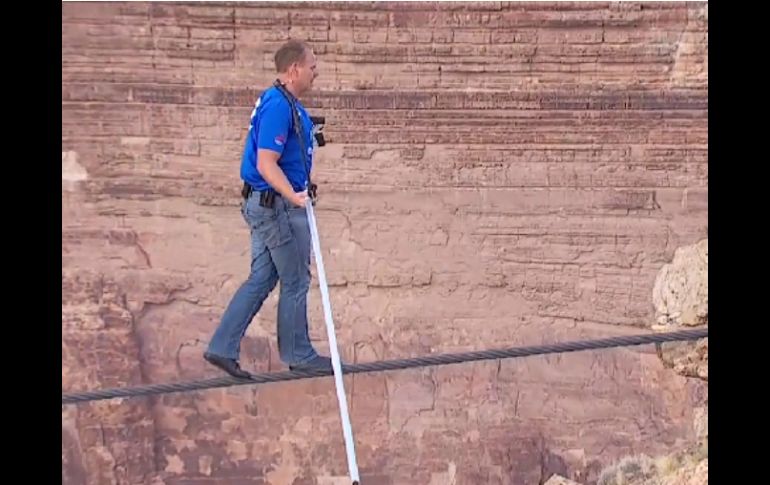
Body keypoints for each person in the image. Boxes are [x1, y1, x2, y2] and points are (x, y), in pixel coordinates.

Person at [204, 39, 332, 378]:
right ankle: (299, 355)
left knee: (262, 277)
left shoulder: (284, 102)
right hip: (275, 208)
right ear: (294, 70)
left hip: (264, 203)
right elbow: (266, 162)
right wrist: (294, 196)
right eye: (312, 67)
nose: (315, 73)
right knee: (296, 279)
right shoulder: (278, 105)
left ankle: (221, 347)